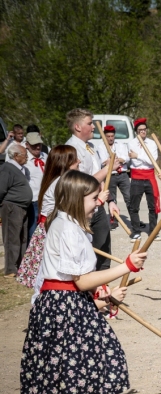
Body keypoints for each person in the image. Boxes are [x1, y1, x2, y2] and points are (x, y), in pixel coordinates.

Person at [21, 170, 146, 394]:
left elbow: (77, 283)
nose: (98, 203)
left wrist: (103, 298)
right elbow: (80, 280)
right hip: (64, 311)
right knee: (73, 382)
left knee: (90, 373)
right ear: (77, 199)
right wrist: (125, 266)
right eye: (93, 198)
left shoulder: (72, 225)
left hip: (72, 305)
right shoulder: (65, 228)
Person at [16, 146, 80, 288]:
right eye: (75, 159)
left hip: (50, 227)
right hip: (50, 229)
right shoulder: (61, 182)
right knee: (48, 271)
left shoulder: (59, 180)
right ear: (66, 162)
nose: (79, 161)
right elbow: (70, 209)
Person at [64, 108, 117, 271]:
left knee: (104, 250)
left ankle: (103, 283)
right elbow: (82, 183)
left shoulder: (91, 146)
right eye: (90, 123)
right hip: (82, 208)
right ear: (78, 127)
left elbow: (99, 176)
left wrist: (110, 200)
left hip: (98, 205)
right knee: (86, 253)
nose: (94, 126)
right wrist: (108, 169)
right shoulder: (71, 149)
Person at [0, 143, 32, 276]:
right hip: (12, 207)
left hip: (22, 207)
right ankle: (10, 269)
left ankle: (20, 266)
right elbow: (1, 189)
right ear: (16, 155)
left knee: (22, 238)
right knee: (11, 238)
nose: (27, 157)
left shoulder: (20, 169)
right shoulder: (7, 168)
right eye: (25, 155)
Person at [126, 118, 159, 241]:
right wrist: (144, 158)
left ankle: (153, 231)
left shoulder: (152, 143)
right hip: (136, 177)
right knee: (134, 206)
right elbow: (135, 162)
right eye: (140, 130)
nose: (143, 132)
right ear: (136, 131)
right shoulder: (131, 143)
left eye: (144, 129)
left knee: (153, 206)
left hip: (150, 177)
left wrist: (138, 155)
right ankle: (136, 231)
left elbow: (153, 160)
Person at [96, 125, 132, 232]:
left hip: (123, 174)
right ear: (105, 136)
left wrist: (117, 160)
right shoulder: (101, 147)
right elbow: (103, 161)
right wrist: (111, 161)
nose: (110, 138)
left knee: (129, 197)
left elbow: (126, 158)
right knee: (112, 199)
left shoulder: (120, 145)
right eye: (108, 136)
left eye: (112, 136)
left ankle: (134, 219)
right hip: (110, 175)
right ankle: (114, 220)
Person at [23, 132, 47, 241]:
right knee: (33, 231)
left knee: (45, 230)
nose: (37, 147)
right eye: (34, 145)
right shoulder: (24, 159)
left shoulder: (45, 156)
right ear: (27, 145)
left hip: (46, 199)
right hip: (33, 200)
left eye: (39, 144)